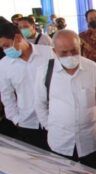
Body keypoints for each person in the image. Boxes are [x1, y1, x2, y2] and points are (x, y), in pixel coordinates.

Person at [34, 30, 96, 170]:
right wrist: (52, 126)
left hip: (89, 140)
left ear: (80, 47)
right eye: (64, 52)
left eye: (74, 50)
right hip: (60, 141)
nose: (70, 56)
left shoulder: (92, 68)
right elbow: (40, 104)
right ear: (54, 51)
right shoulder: (44, 71)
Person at [0, 22, 52, 150]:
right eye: (2, 48)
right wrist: (16, 118)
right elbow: (6, 95)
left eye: (6, 45)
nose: (5, 50)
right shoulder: (4, 64)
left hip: (54, 121)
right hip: (27, 124)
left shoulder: (49, 54)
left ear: (18, 38)